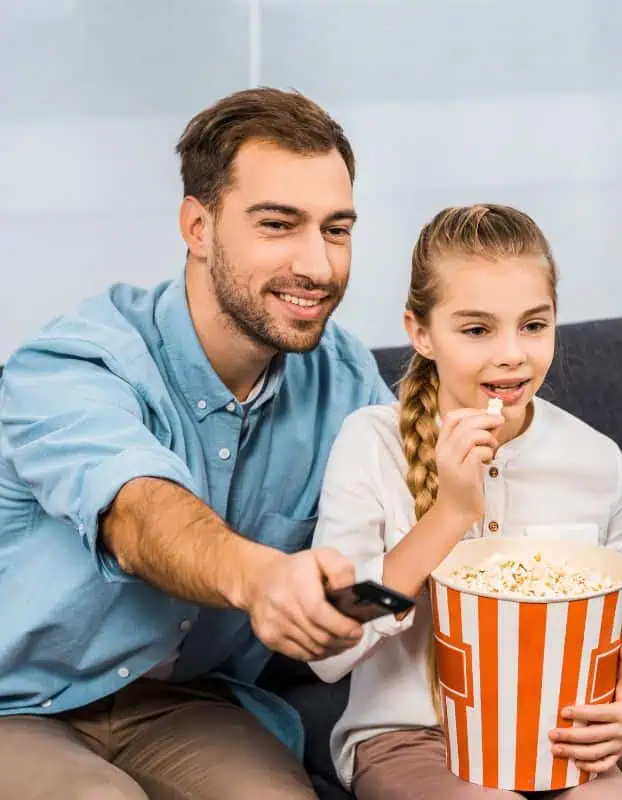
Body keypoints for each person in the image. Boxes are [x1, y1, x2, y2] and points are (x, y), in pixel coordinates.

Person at [0, 87, 393, 799]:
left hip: (184, 705)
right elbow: (139, 513)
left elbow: (438, 529)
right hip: (16, 703)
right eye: (279, 225)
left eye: (337, 229)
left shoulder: (345, 378)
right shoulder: (72, 365)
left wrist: (603, 742)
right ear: (198, 225)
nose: (320, 265)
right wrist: (262, 577)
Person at [309, 204, 622, 800]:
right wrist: (452, 512)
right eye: (478, 329)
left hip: (556, 738)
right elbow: (332, 647)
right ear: (421, 332)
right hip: (410, 738)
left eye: (533, 326)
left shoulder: (598, 461)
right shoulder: (370, 443)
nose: (512, 353)